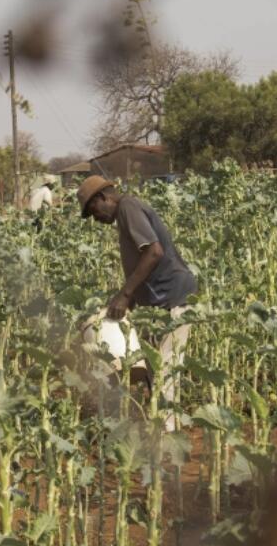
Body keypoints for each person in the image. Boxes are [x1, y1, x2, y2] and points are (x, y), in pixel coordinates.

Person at [78, 175, 197, 430]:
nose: (96, 219)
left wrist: (126, 294)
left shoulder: (128, 207)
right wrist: (131, 300)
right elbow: (142, 260)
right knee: (156, 370)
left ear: (103, 198)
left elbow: (154, 252)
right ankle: (164, 429)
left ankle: (167, 438)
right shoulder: (124, 214)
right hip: (159, 301)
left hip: (172, 297)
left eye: (93, 211)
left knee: (164, 369)